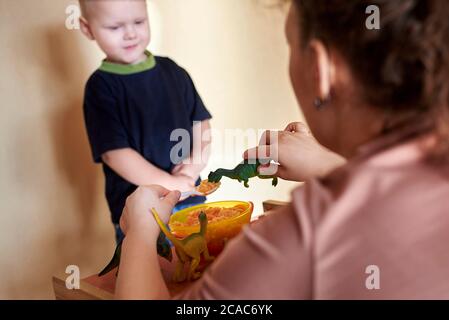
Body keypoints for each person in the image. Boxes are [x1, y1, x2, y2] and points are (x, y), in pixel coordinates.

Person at [115, 0, 449, 299]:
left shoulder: (305, 236)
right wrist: (332, 168)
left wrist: (142, 233)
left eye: (290, 44)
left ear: (320, 70)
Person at [79, 0, 212, 244]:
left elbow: (201, 124)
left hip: (191, 201)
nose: (130, 33)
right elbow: (115, 154)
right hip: (141, 213)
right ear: (87, 29)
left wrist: (192, 168)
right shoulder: (100, 88)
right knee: (152, 276)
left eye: (139, 22)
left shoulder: (173, 71)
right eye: (115, 27)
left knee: (200, 270)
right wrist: (172, 184)